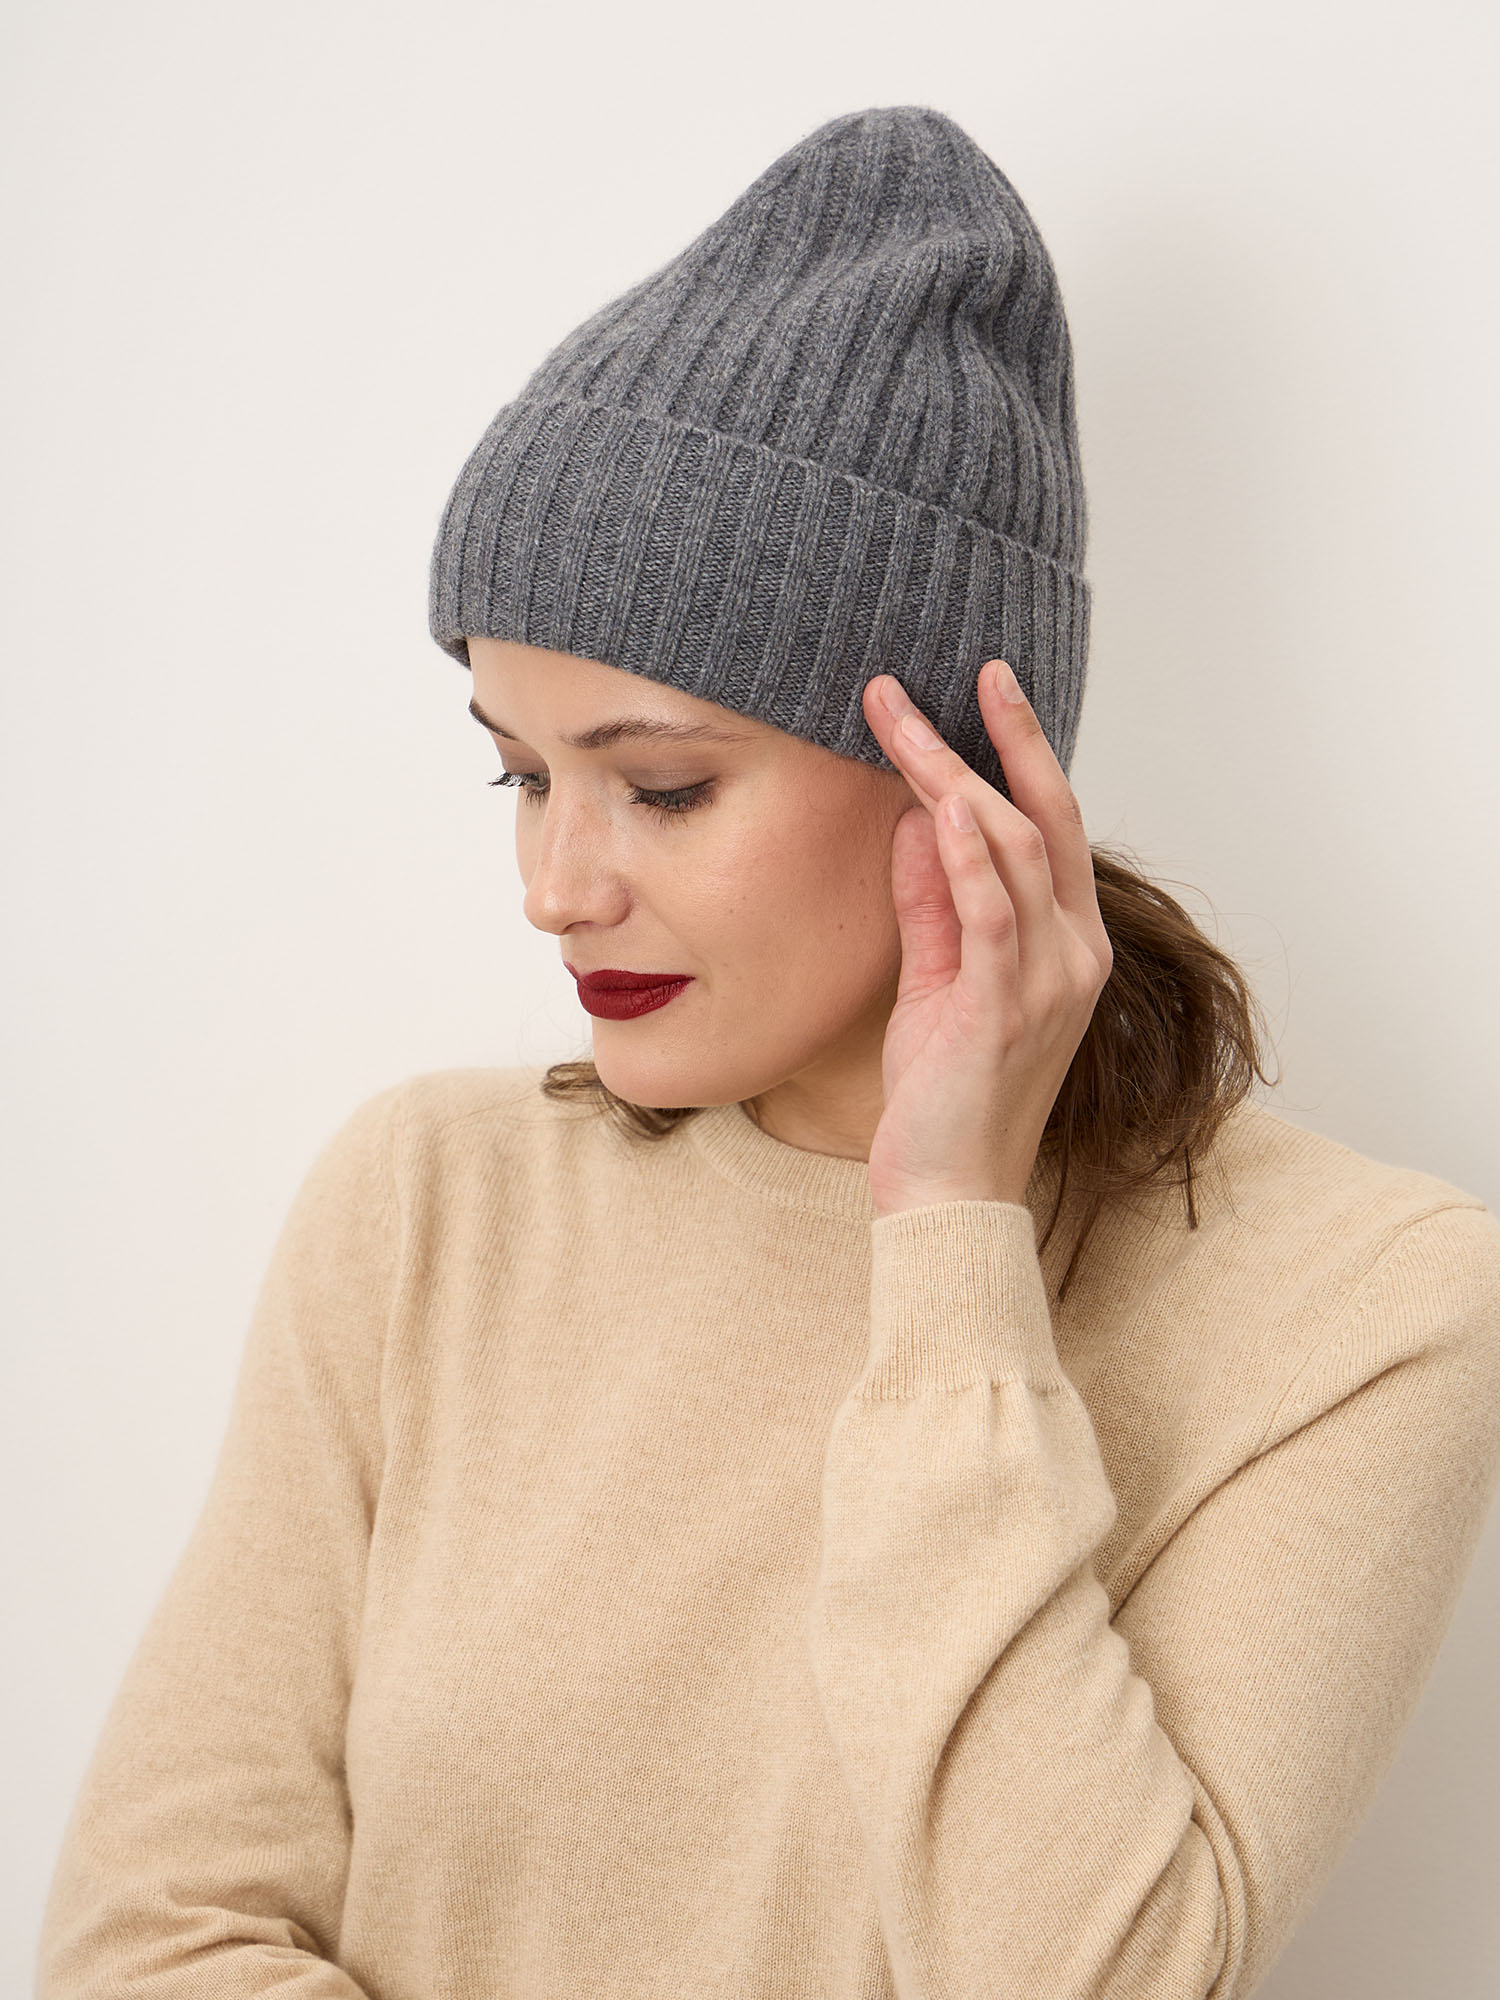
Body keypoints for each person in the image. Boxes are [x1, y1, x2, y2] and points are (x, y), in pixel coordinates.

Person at [36, 104, 1500, 2000]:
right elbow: (152, 1947)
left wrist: (950, 1242)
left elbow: (1088, 1977)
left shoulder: (1365, 1311)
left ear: (959, 773)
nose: (553, 891)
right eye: (517, 774)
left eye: (658, 786)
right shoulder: (426, 1209)